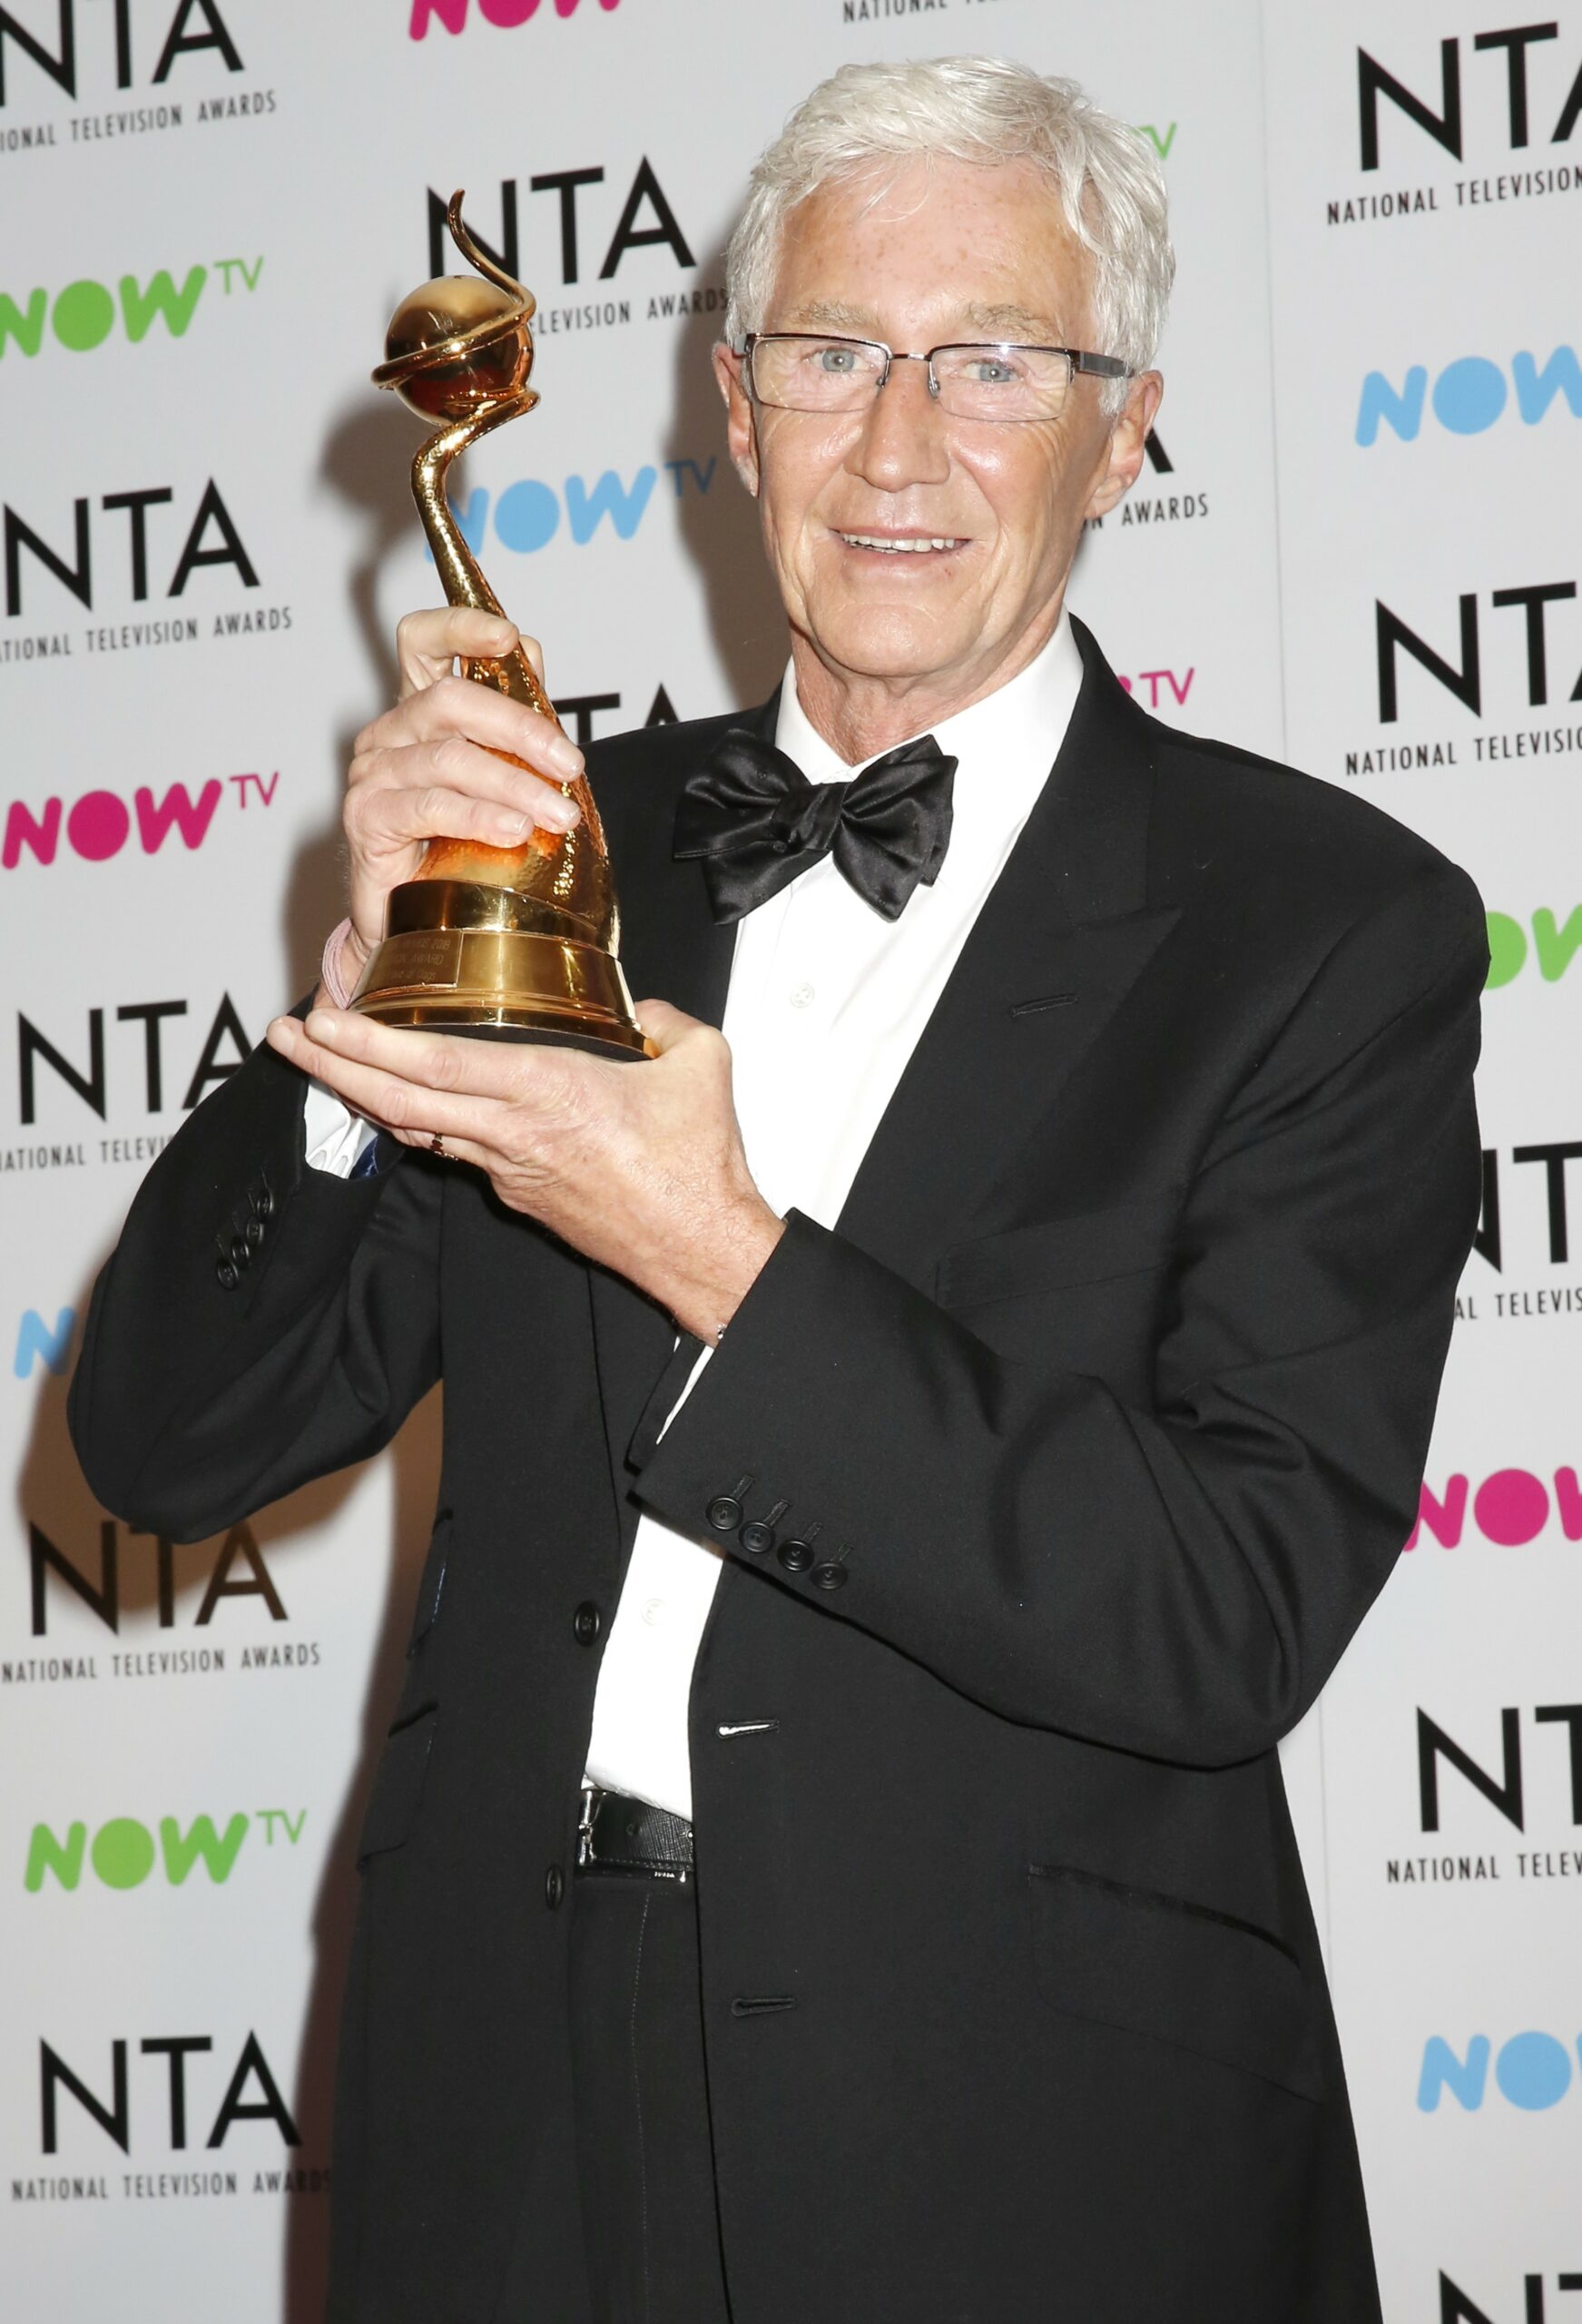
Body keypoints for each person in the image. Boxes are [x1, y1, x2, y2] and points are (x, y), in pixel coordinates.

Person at [70, 54, 1486, 2324]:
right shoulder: (556, 859)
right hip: (503, 2101)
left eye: (991, 361)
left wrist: (713, 1252)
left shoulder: (1321, 924)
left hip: (1016, 2129)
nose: (895, 445)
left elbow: (1221, 1600)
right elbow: (162, 1442)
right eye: (830, 354)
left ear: (1122, 429)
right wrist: (360, 1002)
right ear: (733, 410)